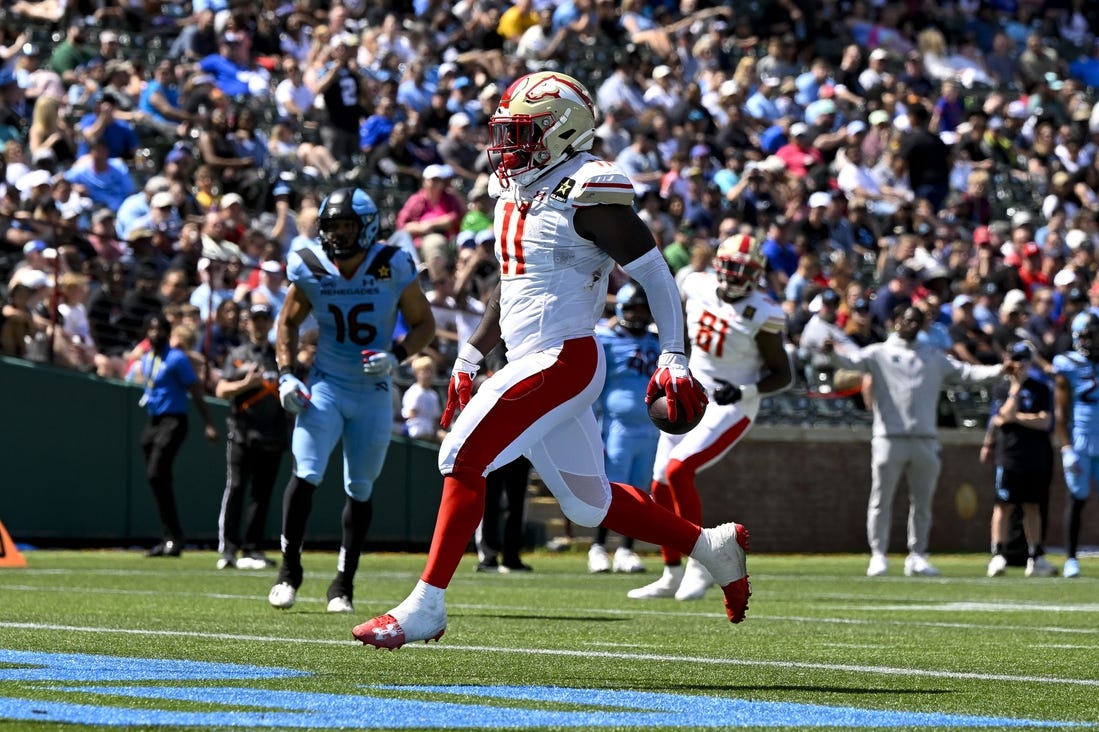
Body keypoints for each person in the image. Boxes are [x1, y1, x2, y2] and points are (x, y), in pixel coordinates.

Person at [352, 71, 750, 651]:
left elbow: (654, 273)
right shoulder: (512, 189)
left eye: (525, 131)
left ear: (564, 131)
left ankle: (426, 606)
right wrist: (467, 356)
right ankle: (708, 546)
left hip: (565, 355)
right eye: (509, 132)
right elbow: (509, 287)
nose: (511, 145)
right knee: (589, 502)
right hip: (533, 356)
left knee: (462, 454)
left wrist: (674, 354)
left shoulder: (588, 190)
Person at [268, 187, 435, 613]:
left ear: (367, 227)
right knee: (305, 472)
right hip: (325, 384)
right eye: (332, 226)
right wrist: (287, 375)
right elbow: (286, 323)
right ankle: (289, 570)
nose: (339, 235)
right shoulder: (309, 266)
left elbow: (424, 325)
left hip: (373, 390)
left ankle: (343, 583)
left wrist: (396, 356)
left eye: (347, 226)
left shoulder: (392, 264)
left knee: (359, 488)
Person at [629, 233, 792, 601]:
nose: (734, 276)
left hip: (733, 402)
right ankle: (670, 573)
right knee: (658, 487)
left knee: (678, 470)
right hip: (693, 391)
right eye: (730, 267)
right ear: (718, 265)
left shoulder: (764, 311)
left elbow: (783, 374)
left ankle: (700, 565)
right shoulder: (696, 283)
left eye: (742, 269)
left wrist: (746, 390)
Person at [822, 306, 1013, 577]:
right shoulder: (880, 353)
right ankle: (878, 555)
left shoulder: (932, 356)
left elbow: (968, 374)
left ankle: (918, 555)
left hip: (924, 439)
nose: (910, 324)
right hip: (889, 438)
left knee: (922, 502)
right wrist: (831, 353)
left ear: (922, 325)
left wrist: (1000, 369)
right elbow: (850, 363)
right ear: (897, 321)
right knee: (880, 499)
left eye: (916, 321)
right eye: (906, 319)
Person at [588, 282, 661, 575]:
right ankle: (598, 547)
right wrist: (594, 428)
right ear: (621, 309)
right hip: (617, 427)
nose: (639, 314)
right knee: (613, 490)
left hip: (650, 428)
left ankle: (626, 549)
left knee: (639, 491)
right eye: (633, 308)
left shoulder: (656, 343)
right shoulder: (605, 340)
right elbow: (593, 387)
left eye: (643, 308)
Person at [135, 312, 219, 557]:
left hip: (174, 420)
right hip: (154, 420)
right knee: (157, 478)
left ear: (167, 331)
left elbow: (195, 390)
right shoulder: (148, 358)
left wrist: (209, 423)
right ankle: (169, 536)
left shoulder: (176, 358)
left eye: (159, 329)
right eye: (150, 329)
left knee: (156, 473)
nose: (154, 334)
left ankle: (175, 536)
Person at [213, 303, 289, 571]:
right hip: (243, 432)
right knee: (235, 488)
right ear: (248, 323)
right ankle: (228, 549)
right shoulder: (238, 354)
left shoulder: (279, 356)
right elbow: (221, 389)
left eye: (264, 320)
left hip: (273, 433)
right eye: (255, 320)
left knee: (262, 493)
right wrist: (246, 385)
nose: (259, 325)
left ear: (270, 323)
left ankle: (253, 548)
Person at [983, 342, 1056, 578]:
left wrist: (1018, 418)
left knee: (1032, 506)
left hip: (1034, 456)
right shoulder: (1003, 388)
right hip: (1009, 455)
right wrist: (1015, 390)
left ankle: (1035, 556)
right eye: (1016, 359)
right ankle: (998, 554)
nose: (1020, 364)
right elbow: (1002, 417)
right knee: (1003, 505)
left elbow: (1045, 421)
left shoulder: (1041, 388)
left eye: (1024, 359)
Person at [1053, 311, 1099, 579]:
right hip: (1080, 439)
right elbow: (1060, 411)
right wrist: (1066, 448)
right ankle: (1071, 557)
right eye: (1089, 335)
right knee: (1078, 498)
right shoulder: (1067, 363)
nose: (1094, 341)